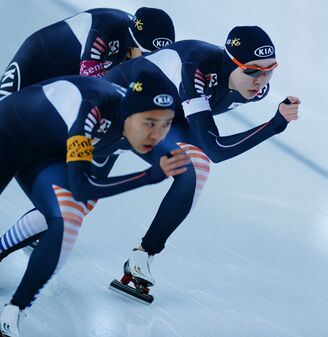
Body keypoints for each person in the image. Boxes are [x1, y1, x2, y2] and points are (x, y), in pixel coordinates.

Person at [0, 26, 301, 302]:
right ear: (231, 61)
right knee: (79, 202)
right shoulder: (193, 68)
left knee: (194, 169)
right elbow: (216, 148)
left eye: (270, 71)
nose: (261, 80)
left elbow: (200, 138)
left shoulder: (255, 89)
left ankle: (143, 256)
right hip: (117, 112)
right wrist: (274, 124)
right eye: (252, 71)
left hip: (167, 119)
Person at [0, 70, 189, 337]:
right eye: (149, 123)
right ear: (128, 115)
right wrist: (147, 176)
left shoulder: (139, 122)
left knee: (68, 217)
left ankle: (14, 311)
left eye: (166, 124)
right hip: (8, 132)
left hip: (47, 153)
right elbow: (81, 187)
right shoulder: (92, 109)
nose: (157, 135)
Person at [0, 7, 174, 98]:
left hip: (68, 72)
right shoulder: (106, 24)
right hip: (37, 59)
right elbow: (91, 82)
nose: (148, 61)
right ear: (133, 42)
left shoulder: (134, 49)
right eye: (146, 54)